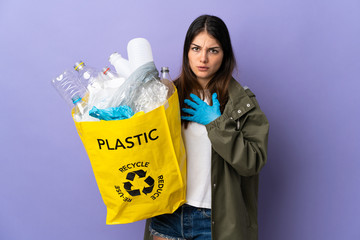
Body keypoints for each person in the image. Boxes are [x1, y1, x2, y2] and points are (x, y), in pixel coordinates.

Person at [144, 14, 269, 240]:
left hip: (214, 220)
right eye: (196, 48)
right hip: (167, 213)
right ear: (187, 53)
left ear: (225, 55)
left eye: (213, 50)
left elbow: (252, 162)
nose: (203, 58)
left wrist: (216, 124)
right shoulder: (166, 96)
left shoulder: (242, 103)